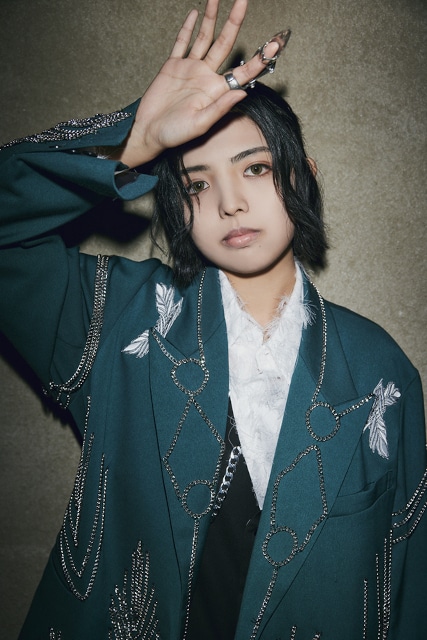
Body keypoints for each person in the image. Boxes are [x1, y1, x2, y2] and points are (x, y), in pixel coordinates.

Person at [0, 0, 426, 638]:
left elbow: (410, 585)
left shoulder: (380, 371)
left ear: (303, 176)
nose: (229, 202)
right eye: (198, 183)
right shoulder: (117, 321)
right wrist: (134, 143)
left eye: (255, 168)